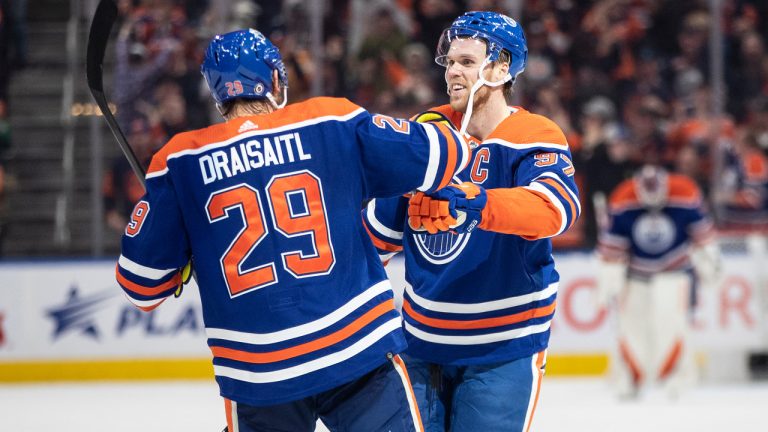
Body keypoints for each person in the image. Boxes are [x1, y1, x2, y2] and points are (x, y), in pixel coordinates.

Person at [115, 28, 471, 432]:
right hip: (354, 350)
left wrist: (180, 260)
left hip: (257, 373)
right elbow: (444, 155)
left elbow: (140, 287)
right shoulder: (330, 119)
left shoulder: (177, 160)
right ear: (275, 80)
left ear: (217, 93)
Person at [363, 12, 580, 431]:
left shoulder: (534, 133)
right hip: (420, 345)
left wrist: (475, 202)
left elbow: (554, 210)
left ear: (501, 68)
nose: (452, 72)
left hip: (503, 347)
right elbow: (376, 235)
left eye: (467, 62)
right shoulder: (426, 135)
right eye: (450, 62)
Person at [595, 164, 720, 399]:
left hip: (675, 271)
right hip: (635, 273)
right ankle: (631, 377)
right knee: (630, 327)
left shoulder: (685, 192)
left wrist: (709, 263)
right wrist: (608, 281)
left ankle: (677, 377)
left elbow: (703, 237)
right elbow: (611, 251)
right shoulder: (623, 198)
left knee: (673, 326)